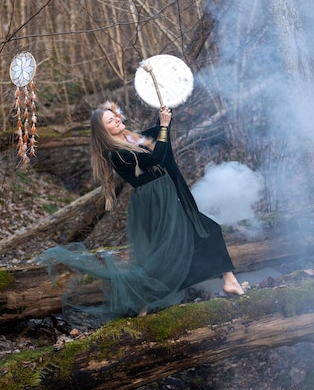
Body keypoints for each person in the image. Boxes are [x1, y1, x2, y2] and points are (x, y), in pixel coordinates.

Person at [37, 100, 244, 329]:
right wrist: (164, 127)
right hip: (156, 200)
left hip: (163, 192)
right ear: (103, 131)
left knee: (197, 234)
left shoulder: (129, 139)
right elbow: (158, 157)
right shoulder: (117, 154)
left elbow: (152, 136)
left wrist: (162, 120)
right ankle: (147, 300)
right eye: (110, 120)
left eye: (114, 116)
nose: (116, 119)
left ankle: (228, 280)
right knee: (170, 250)